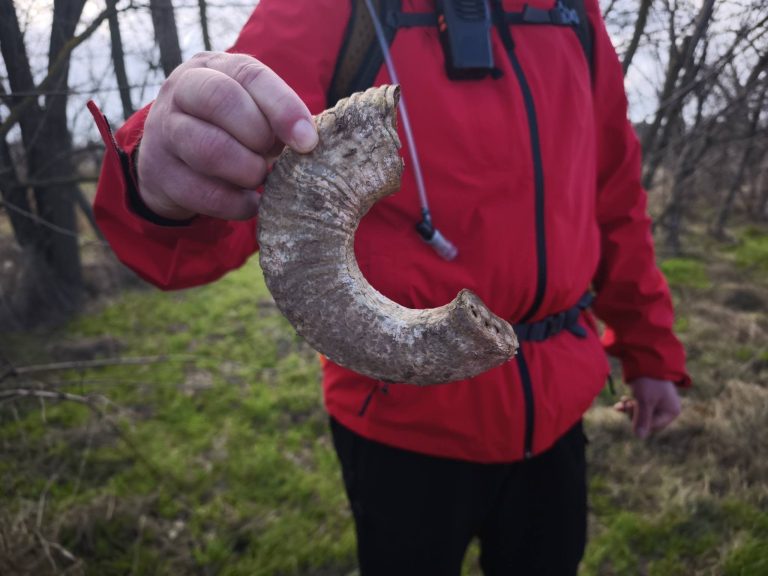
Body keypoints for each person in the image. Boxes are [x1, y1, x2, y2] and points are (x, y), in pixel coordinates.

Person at [89, 0, 690, 574]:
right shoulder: (335, 9)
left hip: (559, 407)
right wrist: (165, 184)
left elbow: (615, 198)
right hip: (400, 423)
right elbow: (239, 181)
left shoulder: (571, 13)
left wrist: (649, 351)